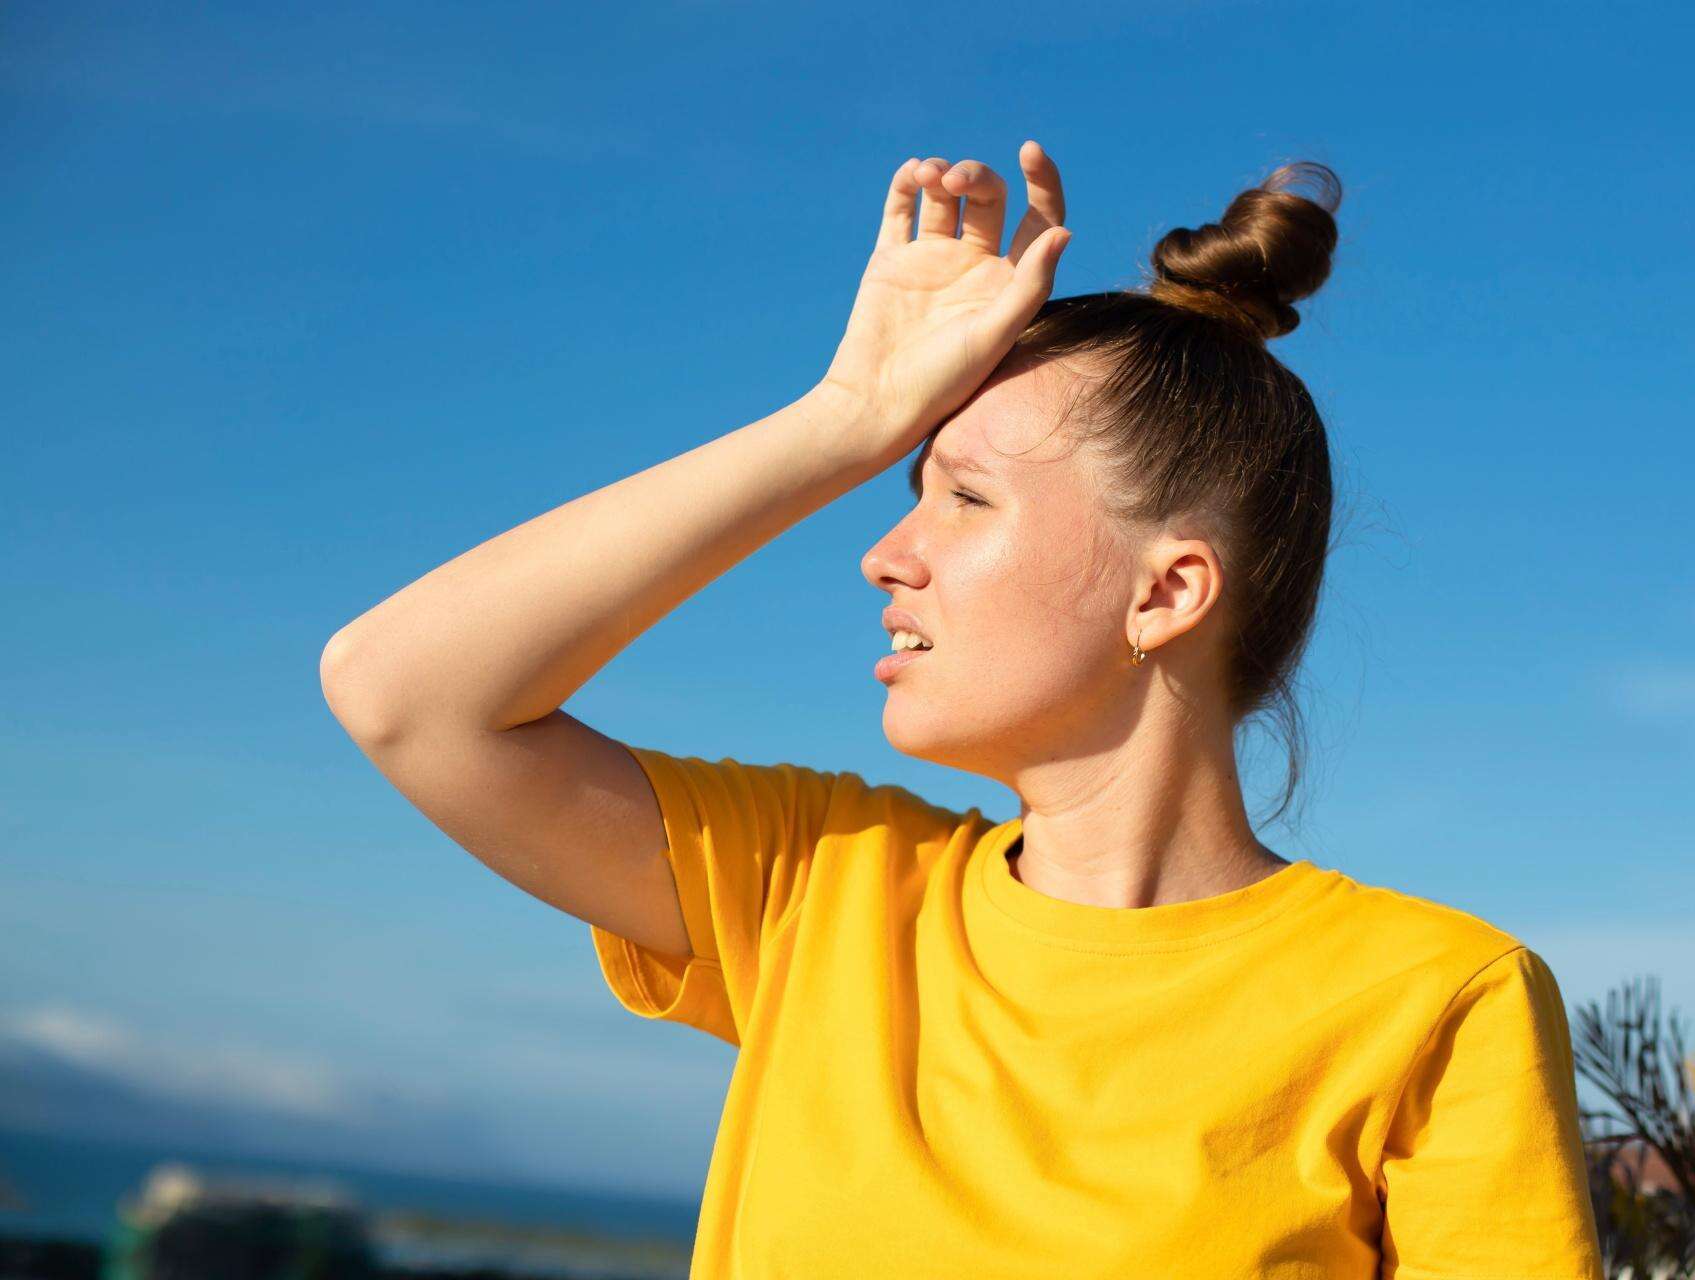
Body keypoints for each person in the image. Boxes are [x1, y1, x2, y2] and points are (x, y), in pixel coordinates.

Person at [320, 141, 1605, 1278]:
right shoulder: (821, 890)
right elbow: (404, 693)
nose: (886, 551)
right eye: (905, 485)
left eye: (964, 498)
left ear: (1166, 591)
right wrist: (846, 418)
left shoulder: (1436, 997)